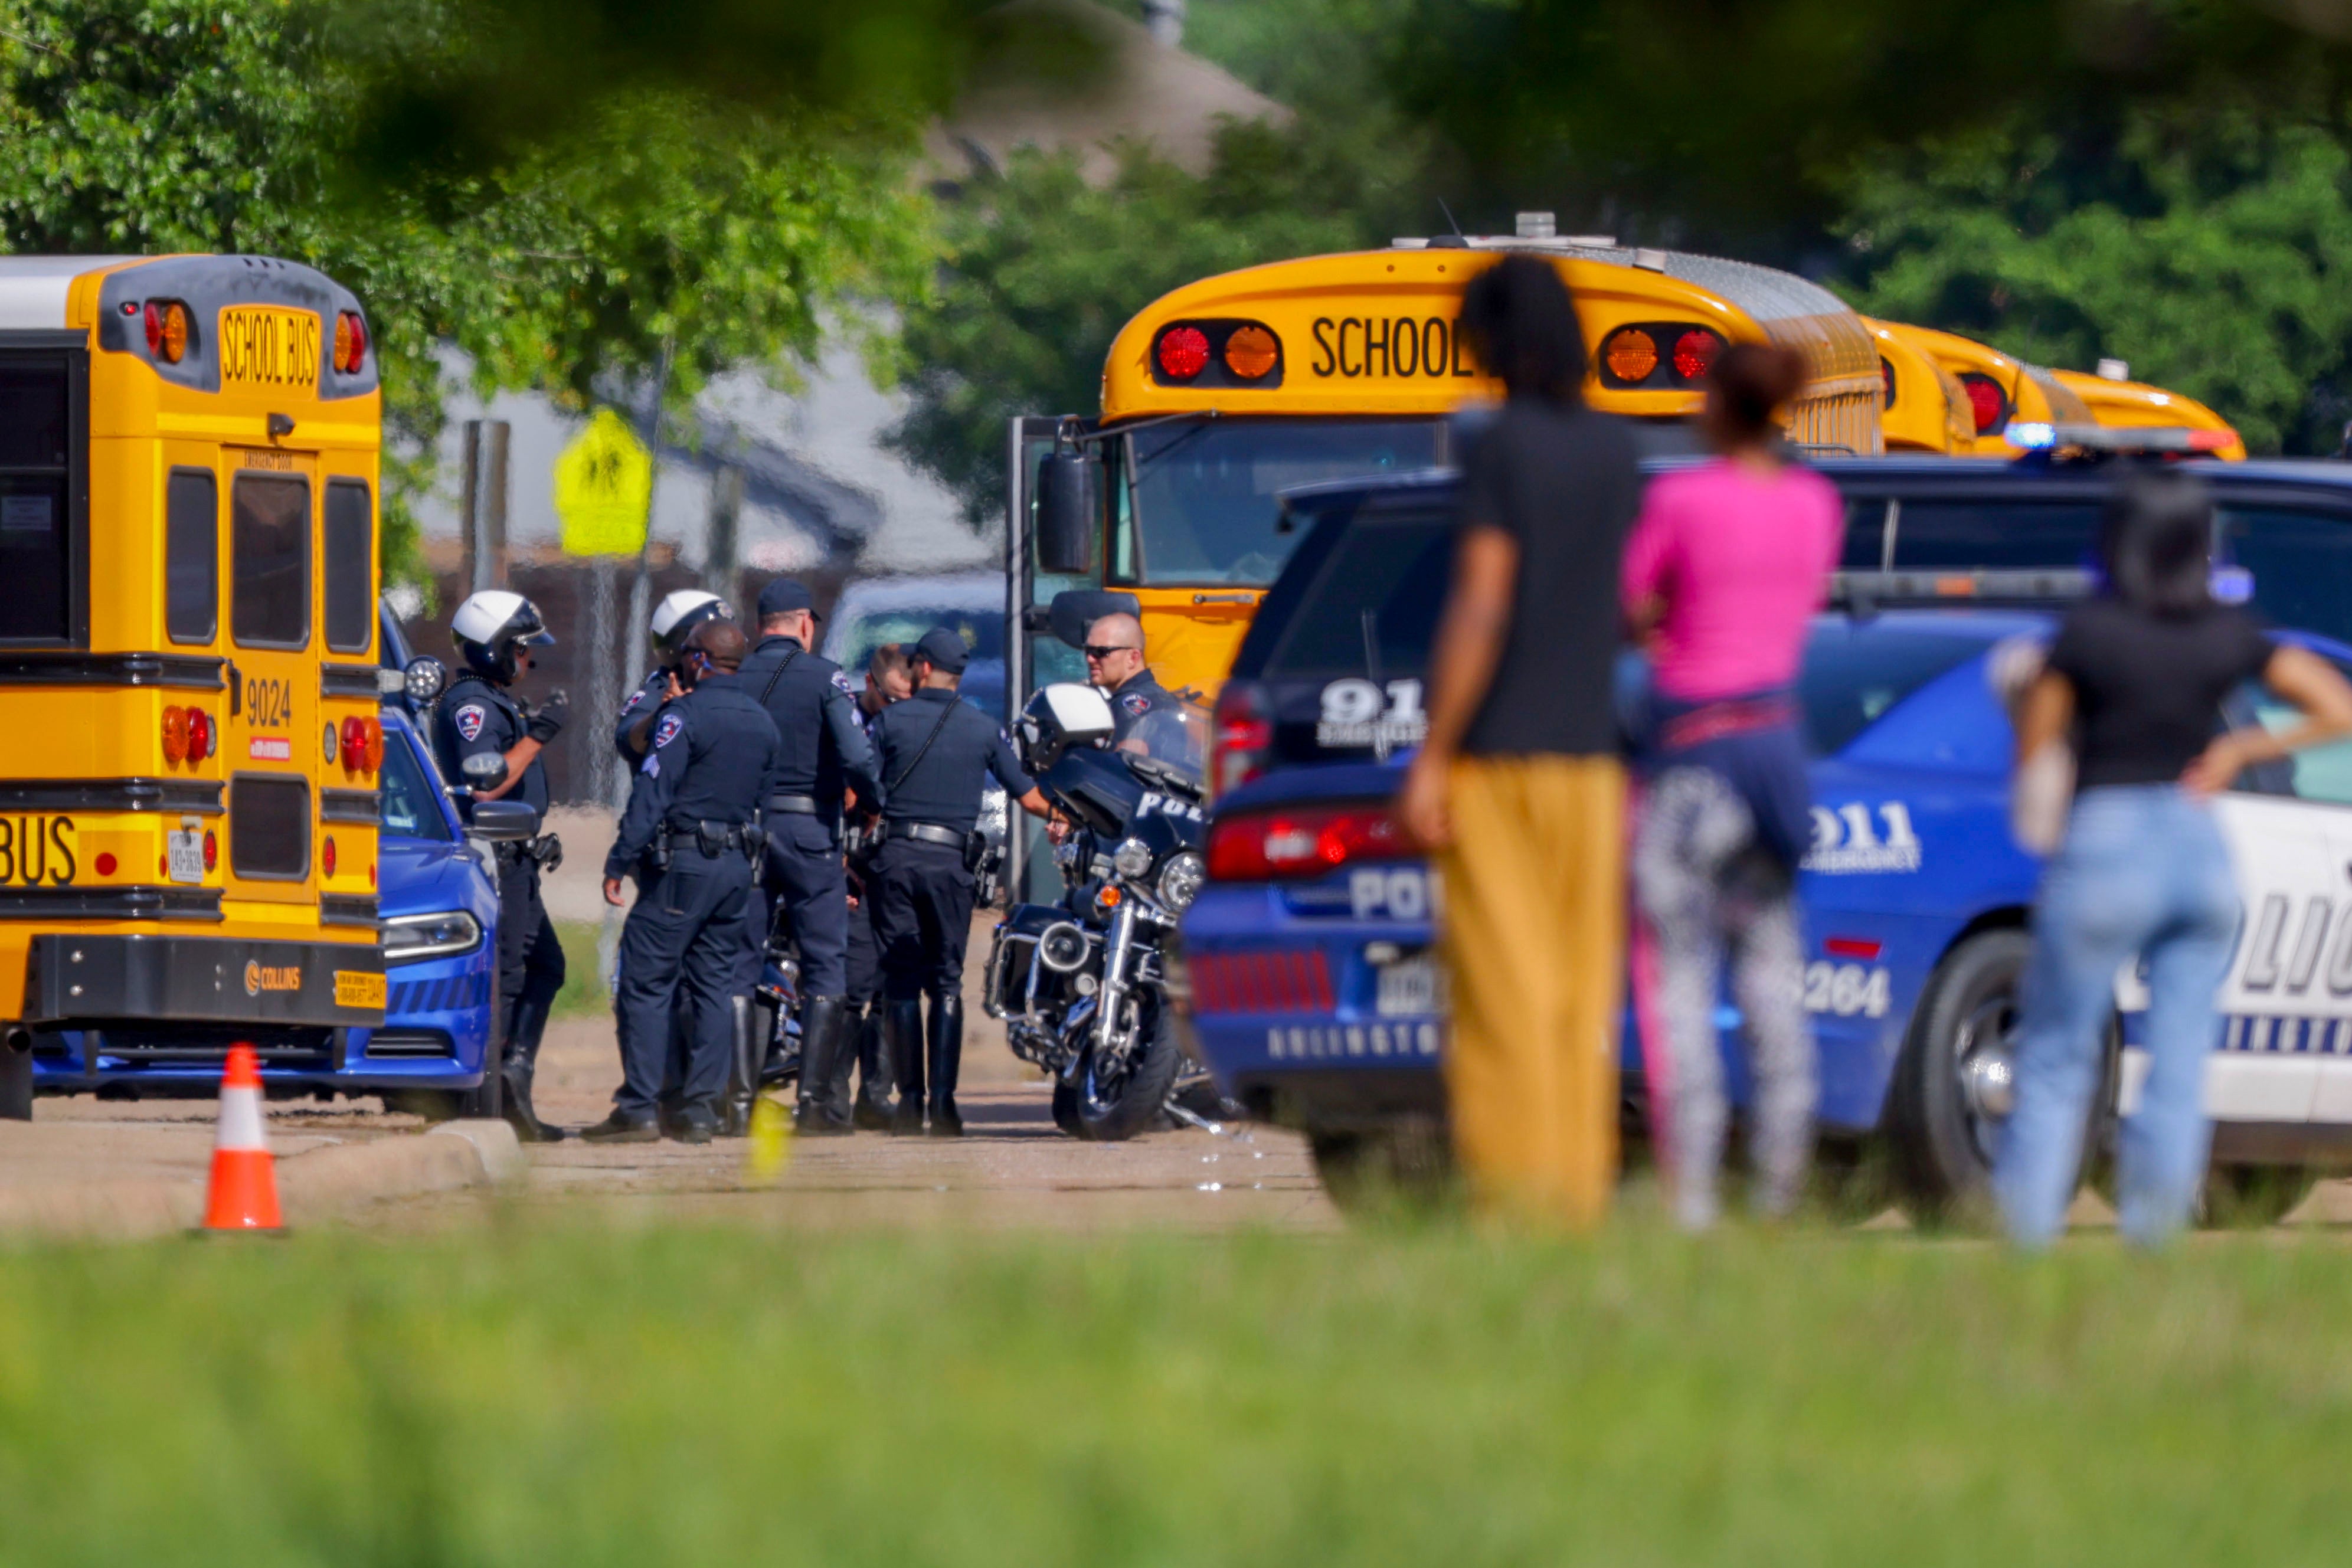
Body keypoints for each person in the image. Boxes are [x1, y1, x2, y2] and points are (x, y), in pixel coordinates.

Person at [1997, 472, 2352, 1246]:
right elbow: (2336, 706)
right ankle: (2152, 1243)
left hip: (2106, 834)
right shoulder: (2225, 629)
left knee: (2058, 1054)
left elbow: (2035, 748)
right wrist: (2239, 748)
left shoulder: (2088, 632)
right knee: (2181, 1061)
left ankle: (2025, 1240)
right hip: (2198, 844)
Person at [1393, 253, 1641, 1229]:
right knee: (1578, 993)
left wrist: (1433, 751)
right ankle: (1576, 1199)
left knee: (1503, 989)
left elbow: (1483, 604)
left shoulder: (1500, 450)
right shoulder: (1618, 452)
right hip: (1593, 754)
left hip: (1503, 750)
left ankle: (1509, 1206)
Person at [1621, 343, 1841, 1229]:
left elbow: (1633, 607)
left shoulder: (1677, 498)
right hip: (1775, 753)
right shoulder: (1812, 501)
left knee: (1679, 982)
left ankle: (1694, 1199)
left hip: (1692, 759)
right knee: (1771, 976)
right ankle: (1784, 1181)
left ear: (1718, 405)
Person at [588, 620, 783, 1144]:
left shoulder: (683, 715)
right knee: (714, 987)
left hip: (683, 867)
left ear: (698, 660)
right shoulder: (763, 722)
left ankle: (639, 1108)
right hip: (736, 871)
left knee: (645, 982)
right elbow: (761, 799)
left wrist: (619, 861)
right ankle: (700, 1110)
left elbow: (653, 793)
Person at [866, 627, 1053, 1135]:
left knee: (901, 981)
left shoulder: (889, 722)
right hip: (951, 865)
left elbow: (863, 792)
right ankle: (945, 1106)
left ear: (922, 668)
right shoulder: (982, 727)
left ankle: (908, 1104)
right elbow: (1030, 799)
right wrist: (1068, 818)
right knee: (946, 982)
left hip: (897, 858)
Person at [738, 578, 884, 1135]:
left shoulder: (732, 676)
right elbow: (857, 757)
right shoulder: (825, 677)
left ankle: (740, 1099)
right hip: (808, 832)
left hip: (747, 830)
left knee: (743, 962)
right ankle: (815, 1104)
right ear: (805, 624)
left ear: (759, 626)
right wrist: (872, 805)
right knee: (825, 961)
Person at [435, 590, 570, 1144]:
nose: (527, 660)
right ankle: (493, 1099)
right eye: (519, 649)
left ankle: (515, 1076)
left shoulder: (492, 700)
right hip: (495, 860)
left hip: (519, 857)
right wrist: (541, 735)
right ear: (492, 650)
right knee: (509, 978)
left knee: (547, 966)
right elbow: (485, 784)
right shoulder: (471, 706)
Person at [610, 588, 737, 1135]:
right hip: (676, 854)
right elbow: (630, 738)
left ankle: (696, 1100)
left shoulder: (732, 690)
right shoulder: (661, 690)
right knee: (670, 981)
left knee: (703, 984)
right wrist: (667, 712)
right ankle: (666, 1095)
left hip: (713, 853)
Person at [846, 643, 912, 1127]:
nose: (899, 712)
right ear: (870, 685)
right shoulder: (841, 717)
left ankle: (875, 1096)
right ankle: (826, 1096)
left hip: (891, 871)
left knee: (892, 987)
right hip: (843, 866)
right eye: (891, 701)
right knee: (850, 986)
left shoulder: (916, 725)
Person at [1081, 612, 1176, 750]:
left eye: (1101, 652)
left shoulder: (1129, 707)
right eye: (1088, 651)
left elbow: (1117, 766)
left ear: (1133, 658)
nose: (1090, 659)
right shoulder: (1158, 697)